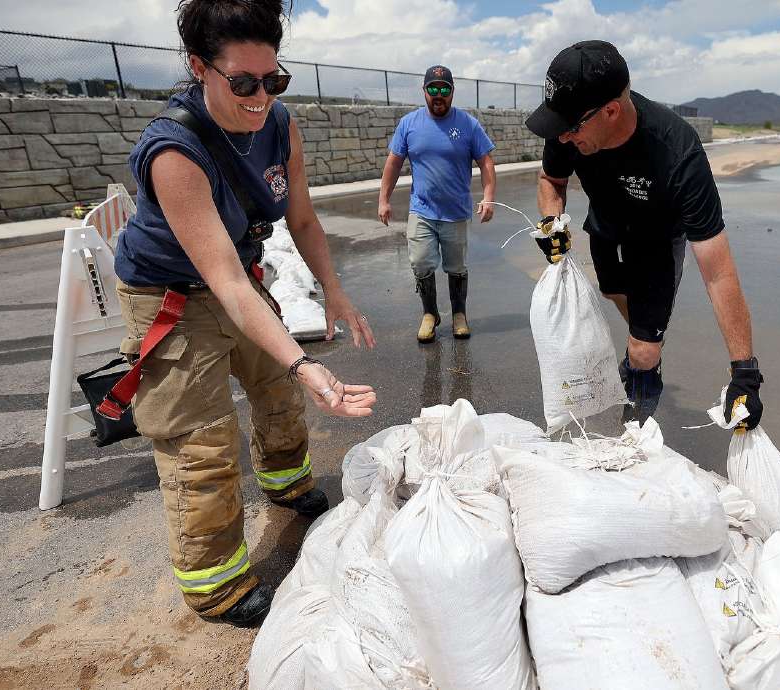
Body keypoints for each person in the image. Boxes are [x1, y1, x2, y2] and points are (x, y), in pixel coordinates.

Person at [113, 0, 377, 627]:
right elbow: (226, 284)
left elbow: (302, 218)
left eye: (274, 79)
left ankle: (287, 484)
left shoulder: (280, 124)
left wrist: (333, 290)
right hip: (171, 297)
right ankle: (216, 585)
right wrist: (305, 359)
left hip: (237, 275)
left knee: (277, 394)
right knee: (200, 442)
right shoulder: (174, 151)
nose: (261, 95)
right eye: (243, 82)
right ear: (199, 67)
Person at [527, 40, 763, 429]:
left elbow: (719, 273)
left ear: (611, 111)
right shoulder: (567, 124)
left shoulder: (678, 154)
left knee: (642, 350)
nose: (563, 138)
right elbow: (551, 179)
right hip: (604, 228)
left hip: (655, 242)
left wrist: (745, 373)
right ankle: (644, 339)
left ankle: (635, 421)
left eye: (570, 130)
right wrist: (552, 223)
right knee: (613, 293)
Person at [377, 65, 497, 343]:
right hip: (422, 210)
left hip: (455, 212)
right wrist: (383, 199)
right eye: (433, 89)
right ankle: (430, 314)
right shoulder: (409, 124)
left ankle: (459, 314)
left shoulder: (468, 124)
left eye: (444, 89)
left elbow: (486, 162)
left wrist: (488, 196)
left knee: (456, 267)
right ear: (425, 91)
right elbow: (393, 163)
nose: (438, 95)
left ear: (452, 92)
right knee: (420, 262)